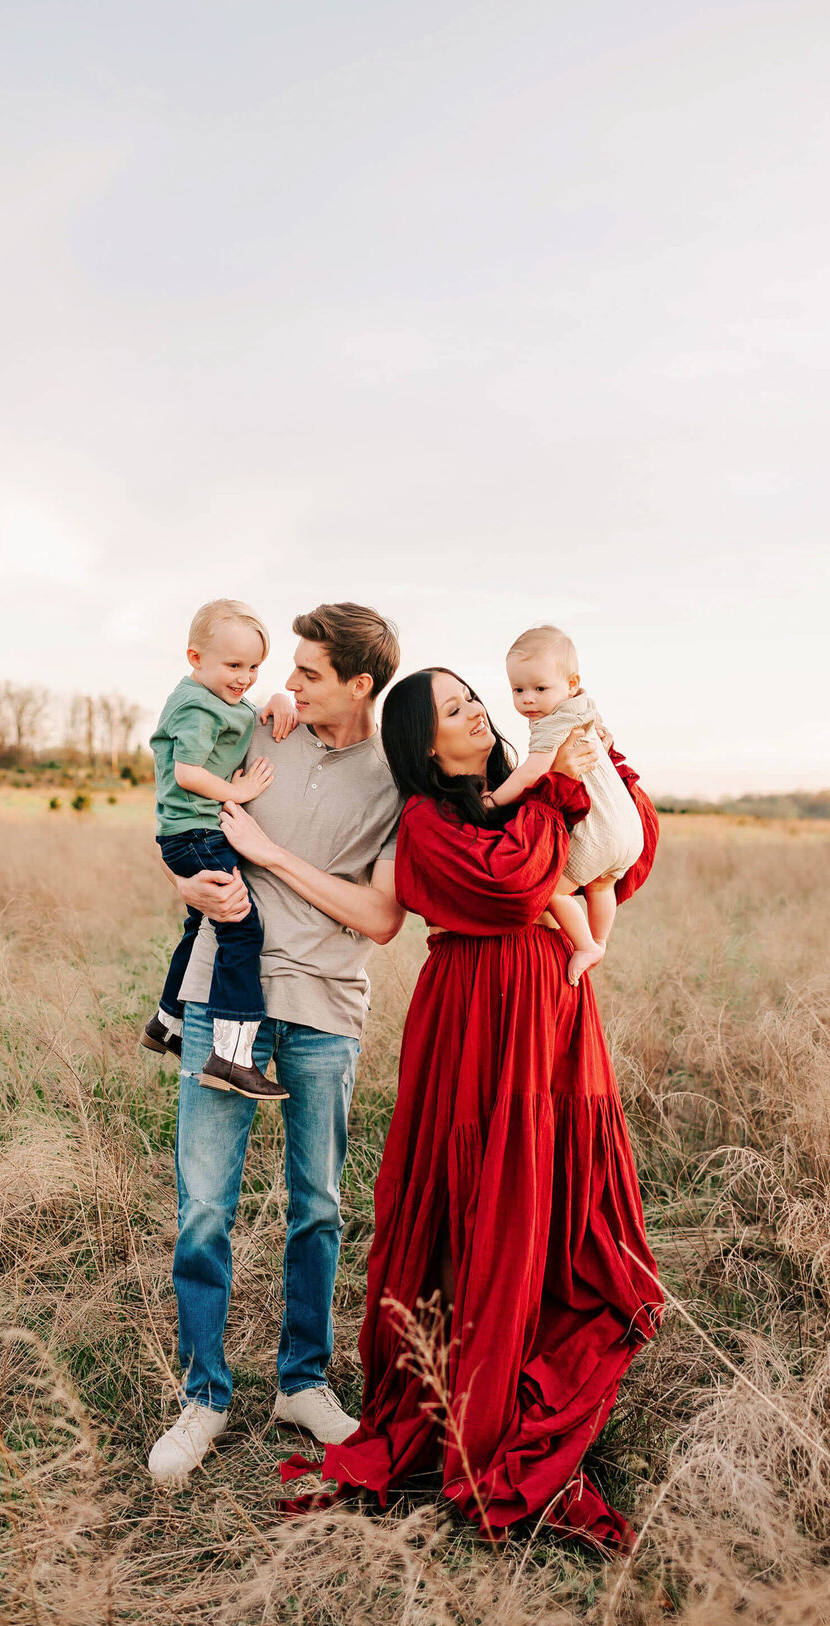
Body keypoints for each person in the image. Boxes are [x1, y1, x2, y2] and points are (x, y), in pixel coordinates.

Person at [282, 668, 662, 1551]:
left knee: (561, 1195)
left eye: (474, 698)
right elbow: (514, 884)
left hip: (552, 1015)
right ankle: (476, 1396)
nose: (480, 713)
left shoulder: (512, 793)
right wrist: (554, 786)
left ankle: (539, 1345)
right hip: (479, 1020)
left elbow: (622, 860)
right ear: (424, 745)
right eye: (455, 710)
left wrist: (601, 768)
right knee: (484, 1197)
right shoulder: (427, 821)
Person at [146, 603, 406, 1484]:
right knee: (205, 1207)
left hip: (329, 1005)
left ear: (360, 684)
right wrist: (194, 881)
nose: (284, 683)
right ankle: (205, 1396)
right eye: (287, 667)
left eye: (307, 672)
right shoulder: (258, 726)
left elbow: (381, 915)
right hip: (229, 996)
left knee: (319, 1205)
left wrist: (271, 852)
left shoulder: (395, 773)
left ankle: (303, 1381)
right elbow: (176, 813)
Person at [141, 597, 297, 1099]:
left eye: (254, 667)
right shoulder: (195, 705)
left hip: (188, 833)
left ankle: (167, 1022)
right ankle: (231, 1057)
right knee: (242, 931)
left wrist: (276, 699)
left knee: (202, 923)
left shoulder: (219, 699)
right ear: (195, 658)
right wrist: (240, 793)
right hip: (196, 832)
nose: (244, 677)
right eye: (234, 665)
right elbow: (187, 772)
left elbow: (245, 715)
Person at [489, 624, 645, 986]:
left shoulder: (551, 724)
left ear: (571, 684)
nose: (528, 699)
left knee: (552, 889)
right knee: (601, 886)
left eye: (540, 688)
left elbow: (533, 771)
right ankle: (601, 940)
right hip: (627, 828)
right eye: (518, 690)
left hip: (599, 832)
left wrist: (495, 799)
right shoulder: (584, 707)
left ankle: (586, 944)